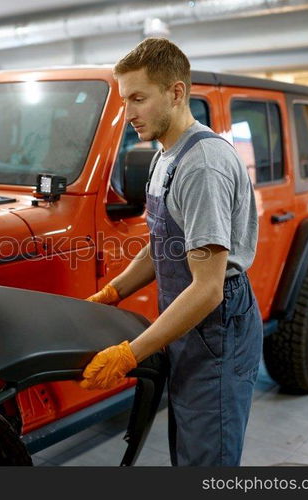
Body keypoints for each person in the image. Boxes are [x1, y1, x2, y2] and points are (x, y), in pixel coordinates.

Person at [80, 38, 262, 466]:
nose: (129, 115)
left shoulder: (202, 165)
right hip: (189, 326)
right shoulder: (166, 155)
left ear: (176, 92)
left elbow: (207, 290)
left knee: (207, 457)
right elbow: (164, 242)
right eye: (126, 101)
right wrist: (114, 292)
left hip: (217, 327)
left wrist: (131, 353)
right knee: (189, 446)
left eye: (139, 99)